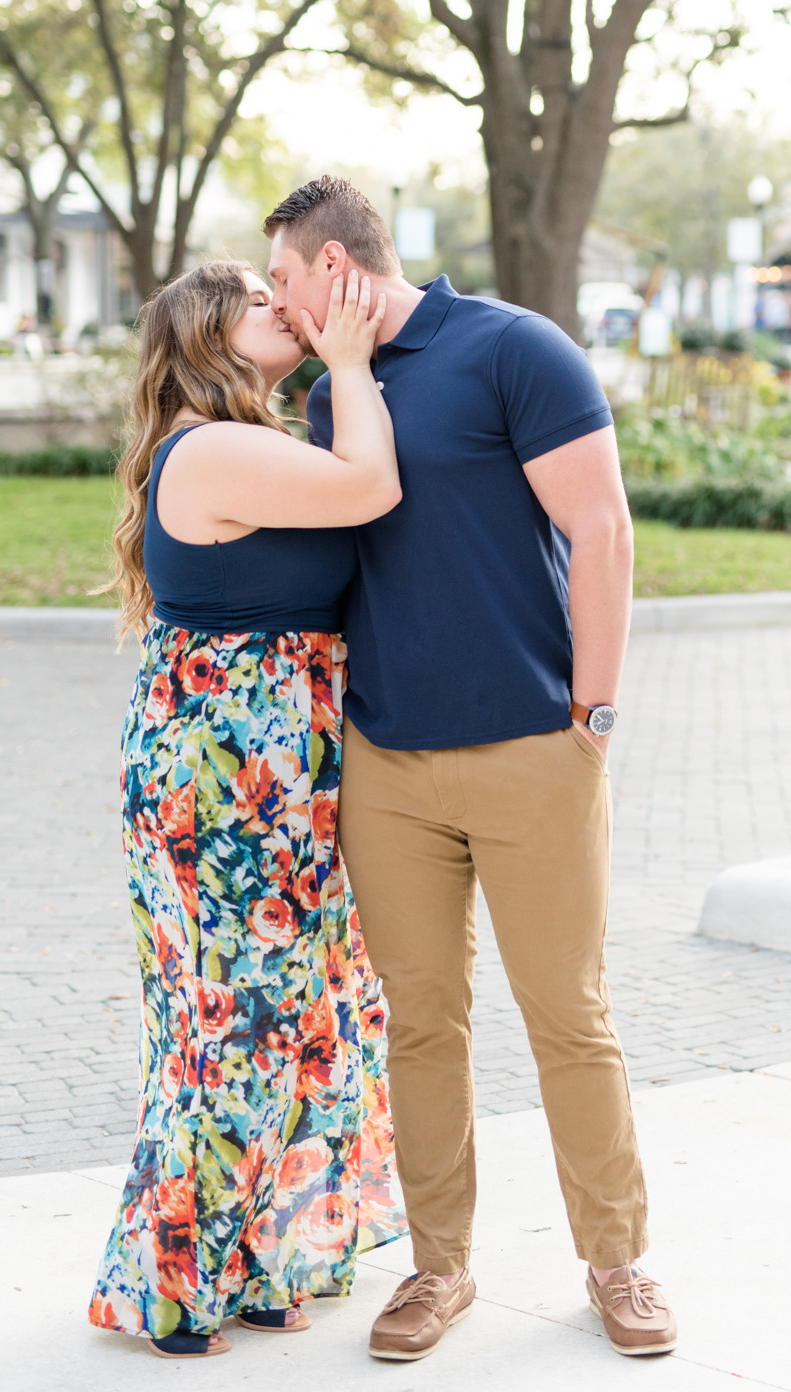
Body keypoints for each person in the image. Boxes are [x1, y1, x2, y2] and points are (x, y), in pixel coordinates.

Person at [266, 178, 677, 1363]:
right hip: (386, 761)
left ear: (336, 263)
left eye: (286, 279)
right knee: (421, 1024)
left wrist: (590, 711)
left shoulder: (512, 350)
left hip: (530, 752)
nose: (281, 304)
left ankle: (617, 1259)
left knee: (568, 1014)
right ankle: (436, 1268)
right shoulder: (321, 397)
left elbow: (600, 528)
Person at [89, 260, 406, 1360]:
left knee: (304, 1010)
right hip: (227, 772)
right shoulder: (213, 444)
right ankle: (175, 1283)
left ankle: (265, 1258)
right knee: (232, 1020)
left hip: (281, 762)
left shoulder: (250, 438)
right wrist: (352, 360)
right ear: (206, 338)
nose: (286, 306)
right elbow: (371, 487)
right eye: (258, 300)